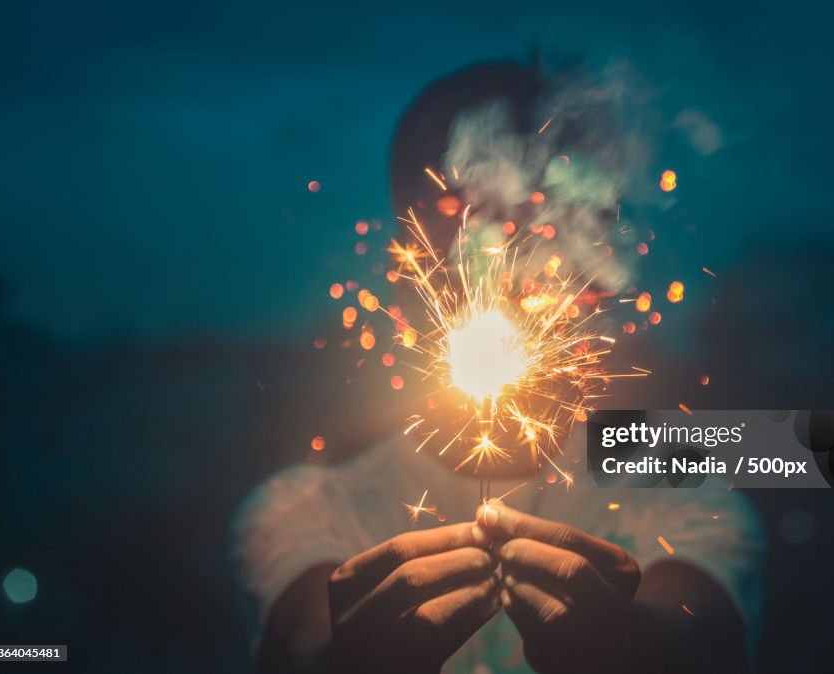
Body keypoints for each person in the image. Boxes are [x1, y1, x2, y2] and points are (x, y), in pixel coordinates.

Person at [235, 61, 764, 674]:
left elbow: (695, 635)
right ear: (403, 256)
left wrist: (631, 648)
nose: (501, 246)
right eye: (457, 206)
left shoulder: (679, 479)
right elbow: (304, 641)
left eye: (540, 210)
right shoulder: (306, 503)